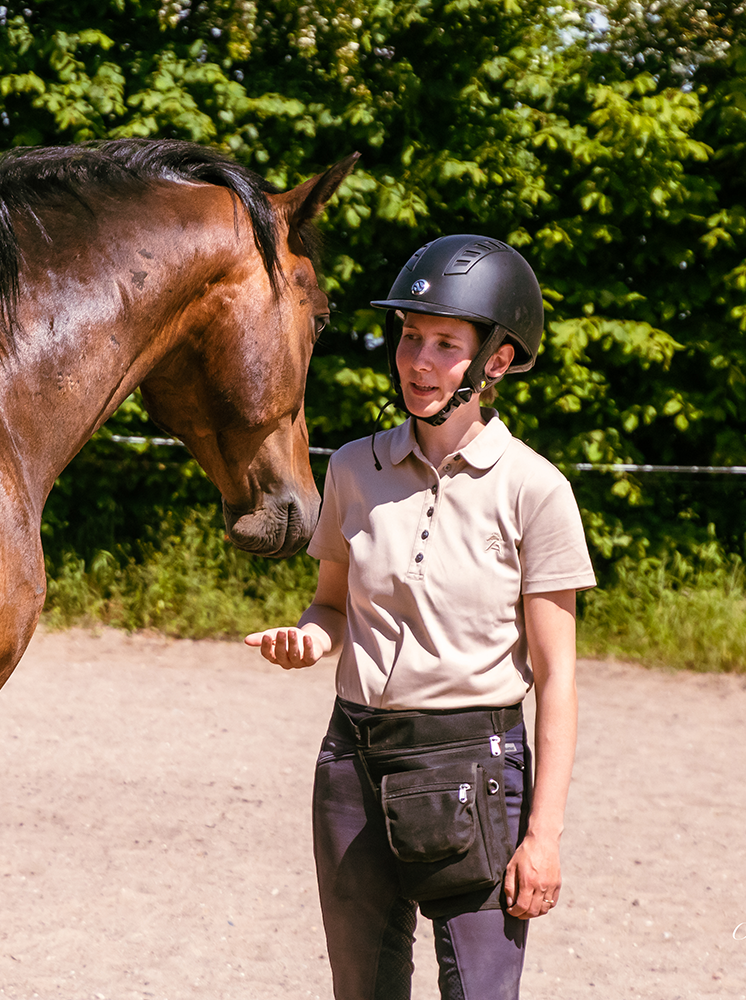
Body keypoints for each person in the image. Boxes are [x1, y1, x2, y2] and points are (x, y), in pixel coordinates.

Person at [246, 235, 595, 1000]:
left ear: (495, 362)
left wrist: (543, 836)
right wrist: (309, 636)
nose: (417, 361)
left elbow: (557, 678)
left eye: (444, 344)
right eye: (410, 337)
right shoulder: (352, 467)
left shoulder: (536, 490)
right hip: (351, 759)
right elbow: (332, 603)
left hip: (473, 763)